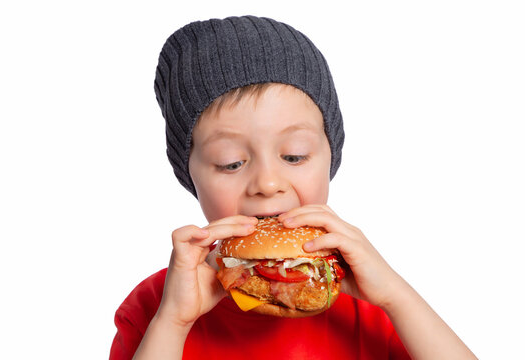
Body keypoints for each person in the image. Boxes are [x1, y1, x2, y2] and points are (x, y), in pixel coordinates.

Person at [110, 15, 476, 359]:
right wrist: (173, 323)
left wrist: (398, 298)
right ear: (188, 173)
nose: (268, 184)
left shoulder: (372, 300)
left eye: (295, 156)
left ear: (331, 155)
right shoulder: (156, 307)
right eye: (231, 162)